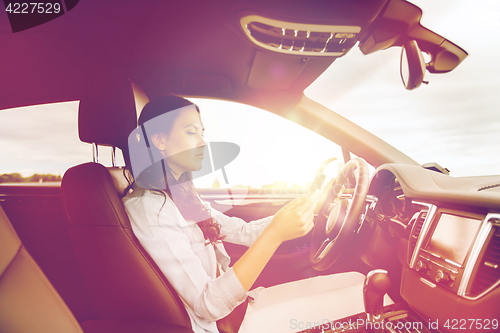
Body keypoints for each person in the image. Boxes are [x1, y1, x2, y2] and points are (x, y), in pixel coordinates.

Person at [122, 96, 371, 333]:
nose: (202, 143)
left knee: (357, 280)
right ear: (160, 141)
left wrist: (313, 204)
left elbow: (243, 232)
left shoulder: (181, 195)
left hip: (239, 308)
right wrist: (275, 235)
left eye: (202, 132)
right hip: (225, 326)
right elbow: (208, 304)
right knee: (365, 295)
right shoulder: (152, 209)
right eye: (191, 132)